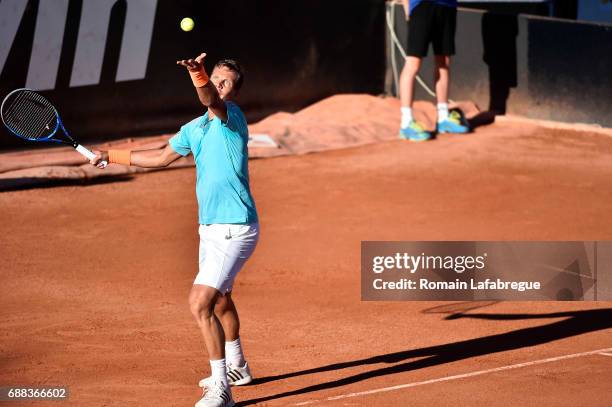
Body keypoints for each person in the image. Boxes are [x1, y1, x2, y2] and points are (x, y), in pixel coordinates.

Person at [91, 52, 258, 407]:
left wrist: (198, 75)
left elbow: (210, 99)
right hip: (209, 228)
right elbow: (158, 156)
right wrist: (111, 155)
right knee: (221, 298)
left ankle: (220, 390)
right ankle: (237, 366)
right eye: (215, 77)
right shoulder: (194, 129)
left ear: (233, 92)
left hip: (236, 227)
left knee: (200, 303)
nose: (217, 84)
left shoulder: (232, 118)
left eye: (224, 82)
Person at [399, 0, 469, 141]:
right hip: (422, 5)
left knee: (444, 62)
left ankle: (443, 118)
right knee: (413, 63)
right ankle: (406, 123)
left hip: (447, 6)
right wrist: (407, 6)